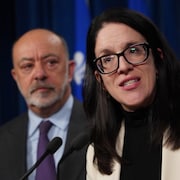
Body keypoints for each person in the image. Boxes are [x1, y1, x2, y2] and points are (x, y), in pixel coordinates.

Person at [83, 8, 180, 180]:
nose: (122, 67)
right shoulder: (96, 156)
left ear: (158, 60)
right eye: (107, 59)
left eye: (133, 51)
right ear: (100, 80)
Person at [0, 28, 89, 180]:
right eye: (28, 66)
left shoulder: (103, 127)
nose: (40, 74)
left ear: (70, 70)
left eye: (51, 62)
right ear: (16, 77)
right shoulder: (3, 139)